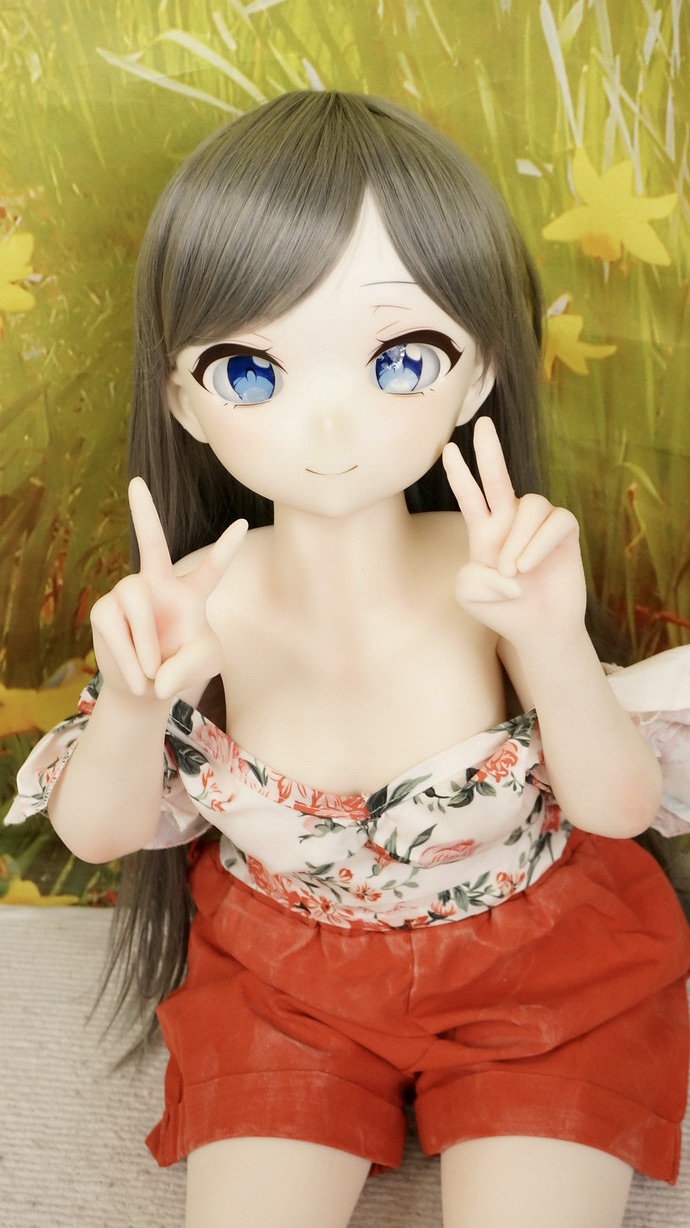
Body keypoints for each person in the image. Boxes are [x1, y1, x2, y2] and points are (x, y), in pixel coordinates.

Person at [8, 91, 690, 1228]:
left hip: (544, 970)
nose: (330, 424)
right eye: (252, 372)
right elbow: (96, 833)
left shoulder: (494, 571)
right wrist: (130, 701)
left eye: (401, 360)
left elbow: (617, 808)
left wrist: (550, 640)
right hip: (285, 986)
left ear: (479, 373)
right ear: (183, 399)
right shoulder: (202, 601)